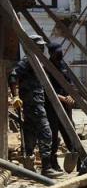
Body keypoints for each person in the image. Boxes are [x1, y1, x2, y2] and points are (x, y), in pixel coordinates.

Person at [8, 35, 61, 178]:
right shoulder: (28, 61)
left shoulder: (36, 62)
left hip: (35, 102)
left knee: (30, 133)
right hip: (33, 104)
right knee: (46, 133)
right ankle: (46, 167)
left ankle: (29, 166)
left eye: (42, 46)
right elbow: (13, 76)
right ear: (31, 46)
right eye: (39, 46)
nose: (42, 48)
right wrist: (16, 96)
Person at [45, 42, 75, 172]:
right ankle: (53, 162)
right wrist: (62, 98)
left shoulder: (63, 65)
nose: (60, 54)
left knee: (70, 131)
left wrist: (70, 95)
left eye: (60, 52)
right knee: (54, 134)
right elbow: (47, 89)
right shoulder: (46, 67)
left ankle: (77, 158)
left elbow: (70, 82)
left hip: (66, 104)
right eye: (57, 53)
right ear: (51, 53)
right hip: (52, 105)